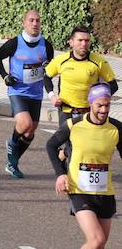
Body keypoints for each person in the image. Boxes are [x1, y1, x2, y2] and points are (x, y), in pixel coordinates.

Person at [46, 83, 122, 249]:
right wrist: (60, 174)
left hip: (105, 192)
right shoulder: (74, 125)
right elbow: (51, 146)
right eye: (99, 105)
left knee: (99, 246)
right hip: (79, 190)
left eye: (107, 105)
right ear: (90, 104)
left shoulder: (116, 128)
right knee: (97, 241)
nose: (103, 109)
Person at [0, 10, 54, 178]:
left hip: (36, 93)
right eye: (31, 20)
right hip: (17, 91)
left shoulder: (46, 45)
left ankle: (12, 163)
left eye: (38, 20)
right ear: (24, 23)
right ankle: (12, 143)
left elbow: (50, 69)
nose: (35, 23)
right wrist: (5, 77)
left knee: (30, 131)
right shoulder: (14, 43)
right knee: (25, 123)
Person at [45, 26, 118, 137]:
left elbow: (113, 85)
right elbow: (46, 77)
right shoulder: (61, 60)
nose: (84, 44)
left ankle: (63, 153)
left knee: (86, 146)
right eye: (80, 40)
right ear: (71, 42)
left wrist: (100, 99)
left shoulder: (99, 61)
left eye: (87, 40)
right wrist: (52, 96)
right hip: (66, 110)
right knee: (69, 147)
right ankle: (64, 152)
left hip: (89, 112)